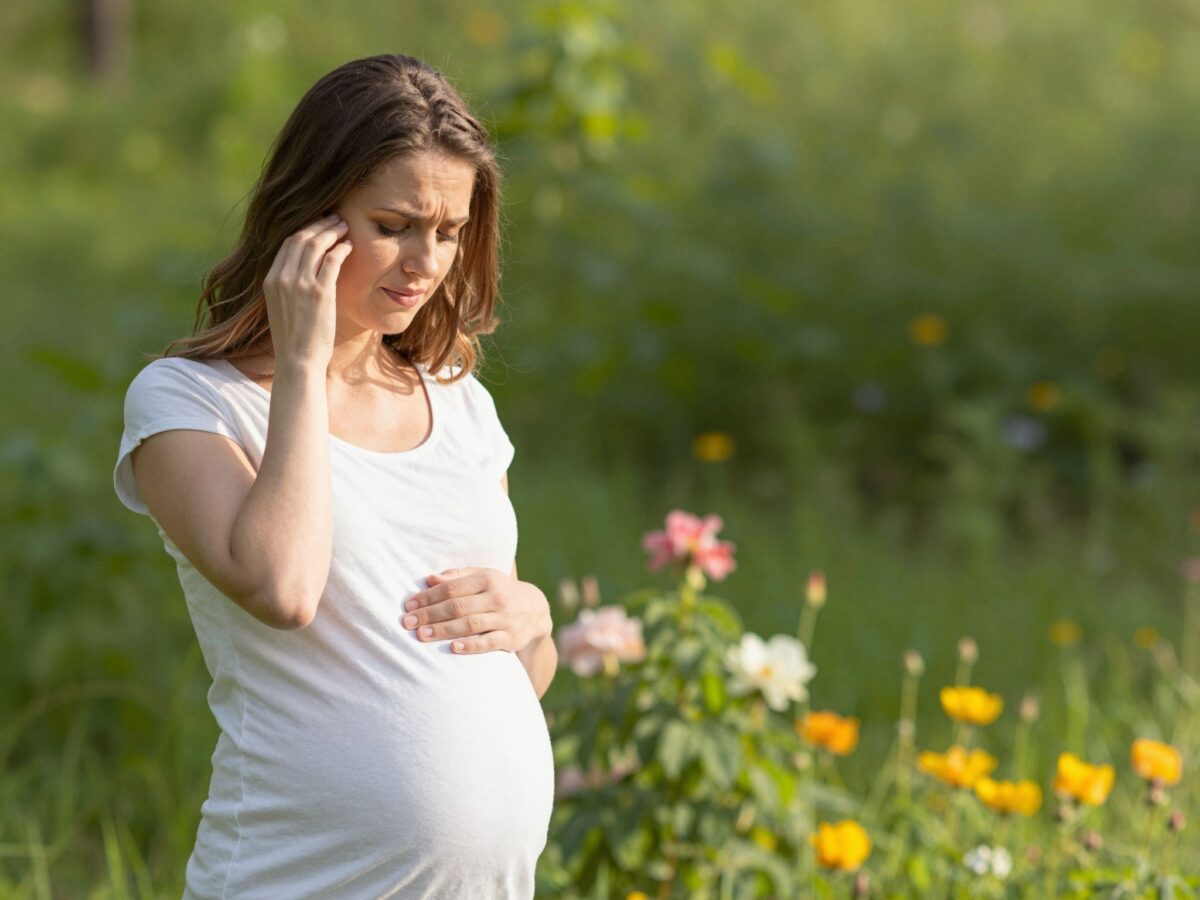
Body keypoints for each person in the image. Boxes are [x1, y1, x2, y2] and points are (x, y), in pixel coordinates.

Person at [111, 54, 557, 898]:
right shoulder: (188, 404)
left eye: (451, 231)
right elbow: (282, 585)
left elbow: (500, 659)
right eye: (394, 224)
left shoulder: (461, 406)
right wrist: (306, 359)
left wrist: (534, 621)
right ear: (308, 221)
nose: (427, 262)